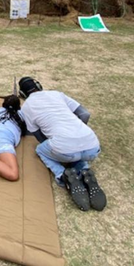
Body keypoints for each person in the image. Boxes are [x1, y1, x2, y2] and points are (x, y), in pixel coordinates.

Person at [19, 76, 106, 212]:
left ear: (22, 95)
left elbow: (38, 136)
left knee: (41, 150)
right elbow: (85, 113)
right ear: (39, 86)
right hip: (92, 146)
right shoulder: (56, 94)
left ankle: (61, 175)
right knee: (75, 153)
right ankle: (84, 169)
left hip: (65, 150)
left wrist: (58, 145)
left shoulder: (26, 106)